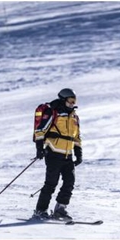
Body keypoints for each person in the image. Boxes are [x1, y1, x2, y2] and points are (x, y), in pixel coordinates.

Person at [33, 88, 83, 220]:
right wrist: (39, 148)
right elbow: (40, 130)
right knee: (51, 183)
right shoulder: (53, 112)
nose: (72, 104)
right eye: (70, 101)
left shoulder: (74, 117)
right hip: (53, 152)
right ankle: (40, 210)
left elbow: (76, 136)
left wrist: (79, 153)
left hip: (68, 155)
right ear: (63, 100)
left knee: (69, 182)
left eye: (74, 101)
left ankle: (60, 209)